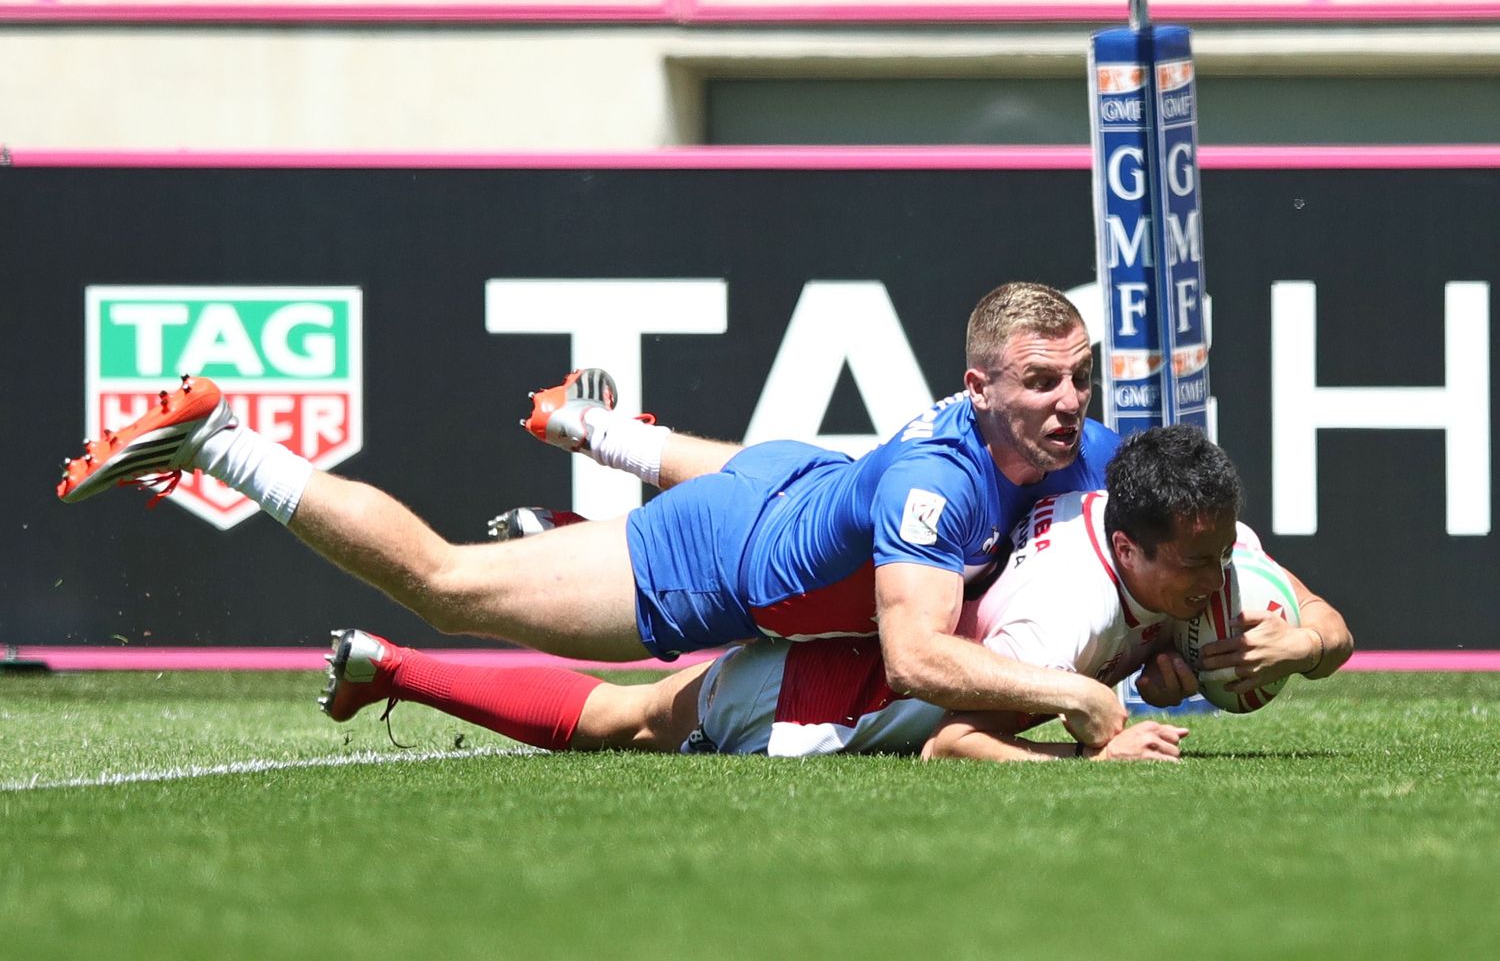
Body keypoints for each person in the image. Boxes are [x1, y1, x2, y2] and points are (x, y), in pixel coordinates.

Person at [57, 282, 1130, 746]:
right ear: (977, 385)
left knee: (783, 478)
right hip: (717, 558)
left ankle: (593, 431)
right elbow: (918, 660)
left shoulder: (1067, 443)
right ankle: (215, 440)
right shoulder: (936, 483)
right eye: (1040, 382)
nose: (1068, 403)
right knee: (449, 584)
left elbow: (1169, 519)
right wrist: (1077, 692)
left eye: (1079, 379)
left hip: (801, 482)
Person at [315, 425, 1352, 762]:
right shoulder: (1061, 614)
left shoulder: (1172, 512)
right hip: (843, 669)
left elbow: (1331, 623)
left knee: (815, 478)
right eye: (1199, 566)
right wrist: (1091, 729)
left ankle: (601, 472)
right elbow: (948, 730)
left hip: (810, 504)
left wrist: (1298, 645)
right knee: (629, 715)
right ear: (1129, 544)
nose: (1221, 577)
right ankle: (392, 656)